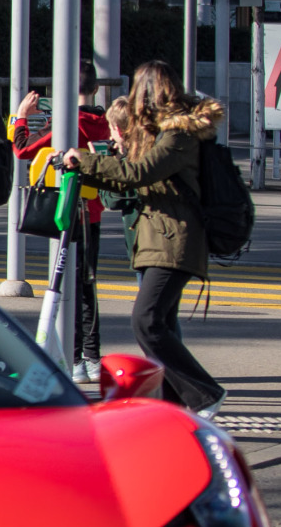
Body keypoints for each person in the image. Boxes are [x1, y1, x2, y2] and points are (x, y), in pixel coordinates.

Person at [60, 59, 227, 414]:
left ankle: (204, 393)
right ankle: (173, 401)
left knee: (146, 320)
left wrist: (87, 163)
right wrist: (92, 166)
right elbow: (129, 180)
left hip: (175, 241)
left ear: (148, 92)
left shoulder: (179, 135)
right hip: (159, 240)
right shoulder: (163, 134)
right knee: (160, 325)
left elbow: (140, 173)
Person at [12, 62, 112, 384]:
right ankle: (92, 356)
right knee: (87, 284)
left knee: (66, 284)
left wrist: (20, 116)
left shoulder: (66, 124)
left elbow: (22, 149)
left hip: (64, 211)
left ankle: (74, 355)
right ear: (96, 88)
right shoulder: (105, 124)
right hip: (92, 212)